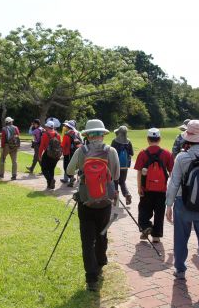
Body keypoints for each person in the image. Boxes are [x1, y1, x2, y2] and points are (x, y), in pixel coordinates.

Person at [166, 120, 199, 293]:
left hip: (183, 204)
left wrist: (168, 205)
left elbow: (174, 183)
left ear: (188, 138)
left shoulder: (182, 157)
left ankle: (180, 270)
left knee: (181, 238)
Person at [66, 119, 120, 292]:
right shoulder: (110, 151)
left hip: (85, 200)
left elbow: (68, 171)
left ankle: (91, 279)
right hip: (104, 201)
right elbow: (117, 174)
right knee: (102, 233)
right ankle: (101, 261)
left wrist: (82, 172)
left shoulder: (81, 150)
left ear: (87, 135)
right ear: (103, 134)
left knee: (87, 240)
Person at [134, 128, 173, 243]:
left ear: (148, 139)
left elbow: (139, 172)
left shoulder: (142, 153)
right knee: (159, 212)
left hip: (146, 189)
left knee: (144, 209)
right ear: (159, 139)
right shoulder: (166, 153)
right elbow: (171, 172)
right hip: (161, 190)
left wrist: (139, 187)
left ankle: (146, 226)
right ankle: (156, 235)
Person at [110, 125, 134, 205]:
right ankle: (127, 194)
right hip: (125, 165)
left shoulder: (114, 141)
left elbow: (111, 153)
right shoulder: (128, 141)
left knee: (115, 181)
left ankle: (115, 197)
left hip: (116, 165)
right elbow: (132, 153)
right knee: (122, 181)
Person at [38, 121, 61, 189]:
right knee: (51, 169)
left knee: (43, 168)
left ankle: (51, 180)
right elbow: (59, 145)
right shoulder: (58, 135)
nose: (45, 128)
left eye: (46, 126)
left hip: (47, 154)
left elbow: (41, 146)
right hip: (56, 154)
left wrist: (39, 155)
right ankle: (50, 185)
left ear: (48, 127)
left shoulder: (45, 134)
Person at [60, 120, 81, 187]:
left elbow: (63, 145)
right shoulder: (77, 133)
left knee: (66, 167)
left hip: (67, 153)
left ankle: (72, 178)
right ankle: (71, 180)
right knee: (74, 166)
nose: (65, 127)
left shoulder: (67, 134)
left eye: (66, 126)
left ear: (68, 127)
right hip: (76, 152)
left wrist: (60, 152)